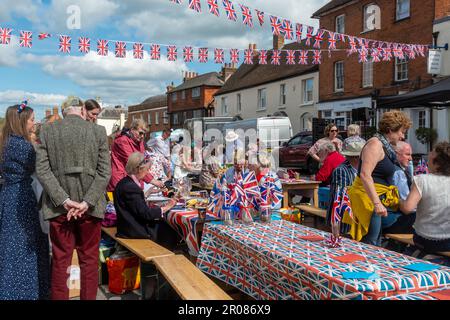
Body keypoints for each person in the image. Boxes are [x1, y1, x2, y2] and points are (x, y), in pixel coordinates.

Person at [36, 97, 111, 300]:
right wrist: (86, 202)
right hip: (90, 208)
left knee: (61, 261)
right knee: (89, 261)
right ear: (81, 109)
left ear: (63, 111)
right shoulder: (97, 131)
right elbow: (105, 172)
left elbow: (42, 170)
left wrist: (64, 200)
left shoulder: (47, 130)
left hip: (60, 209)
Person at [0, 103, 50, 300]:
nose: (34, 122)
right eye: (31, 120)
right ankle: (25, 291)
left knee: (10, 245)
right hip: (22, 199)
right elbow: (41, 166)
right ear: (21, 122)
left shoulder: (6, 141)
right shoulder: (20, 145)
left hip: (9, 196)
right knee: (23, 247)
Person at [344, 110, 412, 246]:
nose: (403, 136)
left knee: (376, 242)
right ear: (390, 130)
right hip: (368, 202)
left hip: (378, 199)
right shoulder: (375, 144)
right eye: (401, 132)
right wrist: (377, 203)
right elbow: (365, 174)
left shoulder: (385, 146)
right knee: (371, 244)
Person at [114, 152, 179, 250]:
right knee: (171, 228)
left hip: (127, 227)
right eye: (147, 169)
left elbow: (133, 206)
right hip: (133, 231)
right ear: (140, 169)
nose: (148, 172)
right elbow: (146, 214)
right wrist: (167, 207)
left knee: (164, 225)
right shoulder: (131, 187)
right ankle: (162, 258)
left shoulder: (125, 183)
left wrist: (147, 193)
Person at [400, 142, 450, 253]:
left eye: (430, 156)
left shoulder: (422, 180)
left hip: (425, 240)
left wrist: (398, 201)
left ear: (437, 163)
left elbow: (407, 208)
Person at [108, 119, 163, 192]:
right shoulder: (122, 141)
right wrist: (153, 181)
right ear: (132, 129)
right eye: (140, 133)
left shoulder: (139, 141)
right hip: (121, 181)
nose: (142, 136)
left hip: (134, 181)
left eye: (144, 134)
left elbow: (143, 162)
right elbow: (135, 164)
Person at [326, 140, 365, 234]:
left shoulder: (361, 169)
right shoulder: (341, 170)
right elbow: (340, 198)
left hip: (357, 215)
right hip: (343, 220)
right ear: (357, 158)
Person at [382, 141, 415, 234]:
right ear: (396, 154)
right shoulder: (398, 172)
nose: (411, 158)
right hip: (391, 219)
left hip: (382, 217)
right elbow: (407, 206)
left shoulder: (388, 167)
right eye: (407, 154)